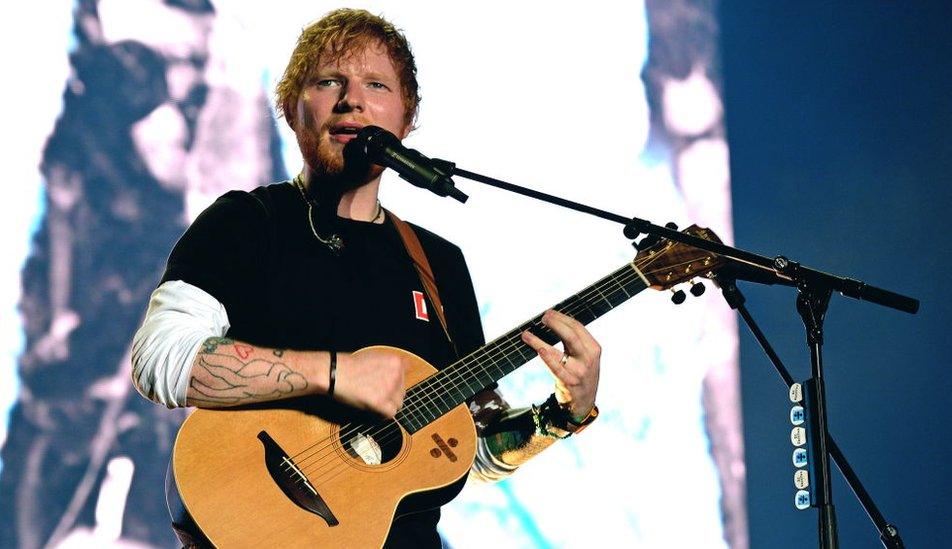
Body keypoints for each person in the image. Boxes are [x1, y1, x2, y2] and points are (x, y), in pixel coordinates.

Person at [131, 8, 601, 548]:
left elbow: (470, 449)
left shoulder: (437, 263)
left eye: (376, 84)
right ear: (291, 107)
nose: (352, 98)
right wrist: (335, 374)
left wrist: (563, 414)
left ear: (406, 120)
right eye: (329, 80)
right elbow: (159, 359)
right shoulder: (246, 222)